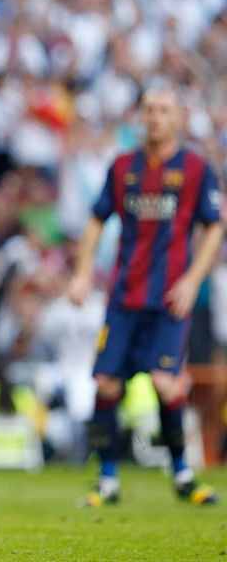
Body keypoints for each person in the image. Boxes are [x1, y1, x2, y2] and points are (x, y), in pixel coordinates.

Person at [67, 86, 224, 507]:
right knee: (105, 382)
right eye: (149, 109)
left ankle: (182, 474)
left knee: (166, 384)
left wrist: (192, 279)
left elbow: (215, 225)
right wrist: (83, 273)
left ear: (178, 118)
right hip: (123, 297)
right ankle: (107, 480)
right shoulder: (122, 168)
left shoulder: (195, 169)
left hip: (168, 300)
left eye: (163, 110)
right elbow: (97, 220)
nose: (154, 117)